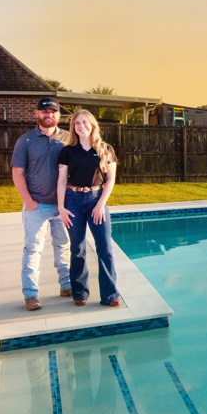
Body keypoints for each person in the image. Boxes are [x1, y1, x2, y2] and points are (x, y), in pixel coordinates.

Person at [11, 96, 72, 311]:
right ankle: (31, 295)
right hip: (37, 206)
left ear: (58, 115)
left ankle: (66, 285)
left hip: (63, 206)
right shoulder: (25, 141)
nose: (49, 115)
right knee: (32, 249)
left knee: (63, 246)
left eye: (53, 111)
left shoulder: (68, 138)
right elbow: (17, 172)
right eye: (45, 111)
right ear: (37, 114)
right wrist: (28, 201)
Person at [57, 109, 122, 307]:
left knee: (105, 248)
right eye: (77, 123)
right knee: (77, 248)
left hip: (96, 199)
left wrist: (100, 204)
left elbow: (110, 180)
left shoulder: (105, 149)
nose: (81, 126)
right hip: (73, 200)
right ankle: (80, 293)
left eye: (85, 122)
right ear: (73, 127)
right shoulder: (67, 151)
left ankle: (110, 295)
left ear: (93, 125)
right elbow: (61, 180)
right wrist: (61, 207)